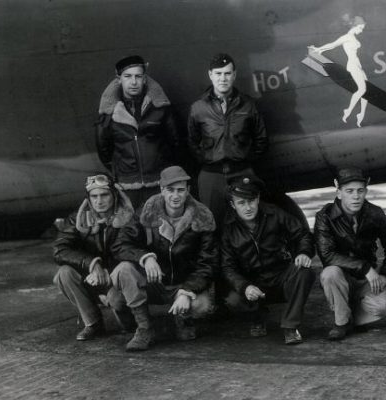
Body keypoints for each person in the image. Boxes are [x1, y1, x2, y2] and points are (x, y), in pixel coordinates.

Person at [111, 166, 218, 351]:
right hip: (155, 282)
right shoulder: (145, 213)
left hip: (183, 283)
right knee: (121, 280)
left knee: (202, 306)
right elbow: (120, 244)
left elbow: (208, 263)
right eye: (170, 190)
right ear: (161, 190)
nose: (175, 196)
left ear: (188, 191)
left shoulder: (202, 217)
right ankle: (145, 328)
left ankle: (183, 319)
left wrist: (187, 291)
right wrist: (145, 257)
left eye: (180, 190)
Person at [221, 176, 315, 345]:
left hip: (280, 276)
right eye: (241, 203)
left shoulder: (274, 213)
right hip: (253, 282)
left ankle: (290, 326)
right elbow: (228, 267)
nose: (248, 207)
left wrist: (303, 252)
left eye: (251, 201)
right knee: (232, 299)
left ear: (257, 199)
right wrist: (244, 286)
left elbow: (302, 234)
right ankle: (257, 318)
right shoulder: (228, 228)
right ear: (233, 205)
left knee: (305, 272)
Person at [314, 167, 386, 340]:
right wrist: (366, 268)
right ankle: (341, 323)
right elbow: (327, 255)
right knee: (329, 273)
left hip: (367, 281)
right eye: (349, 191)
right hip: (341, 277)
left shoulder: (375, 213)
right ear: (339, 193)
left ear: (366, 191)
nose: (356, 196)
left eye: (360, 191)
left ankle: (352, 317)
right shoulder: (325, 216)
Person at [188, 53, 268, 224]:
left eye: (227, 73)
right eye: (218, 73)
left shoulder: (248, 104)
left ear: (234, 75)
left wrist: (245, 160)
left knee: (246, 224)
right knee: (211, 224)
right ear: (210, 75)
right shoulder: (198, 108)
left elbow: (261, 139)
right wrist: (205, 159)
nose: (222, 78)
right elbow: (192, 141)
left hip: (241, 172)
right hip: (211, 176)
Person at [53, 174, 135, 340]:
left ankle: (132, 319)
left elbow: (130, 250)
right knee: (64, 273)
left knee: (120, 306)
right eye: (94, 196)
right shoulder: (77, 219)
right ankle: (93, 323)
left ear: (114, 194)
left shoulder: (129, 217)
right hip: (93, 276)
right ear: (88, 198)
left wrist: (109, 274)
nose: (99, 201)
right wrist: (92, 264)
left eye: (104, 195)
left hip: (117, 278)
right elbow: (59, 249)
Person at [96, 55, 180, 208]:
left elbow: (176, 143)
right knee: (130, 229)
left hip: (159, 183)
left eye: (138, 76)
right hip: (127, 186)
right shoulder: (109, 113)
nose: (133, 82)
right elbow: (103, 150)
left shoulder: (160, 108)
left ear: (145, 79)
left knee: (160, 228)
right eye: (128, 76)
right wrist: (121, 171)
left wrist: (164, 171)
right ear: (119, 79)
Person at [308, 15, 369, 126]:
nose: (362, 30)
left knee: (367, 90)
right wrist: (319, 49)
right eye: (361, 28)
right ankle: (348, 110)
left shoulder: (353, 37)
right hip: (353, 66)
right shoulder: (347, 37)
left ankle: (361, 113)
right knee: (362, 89)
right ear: (355, 26)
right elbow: (333, 45)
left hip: (359, 66)